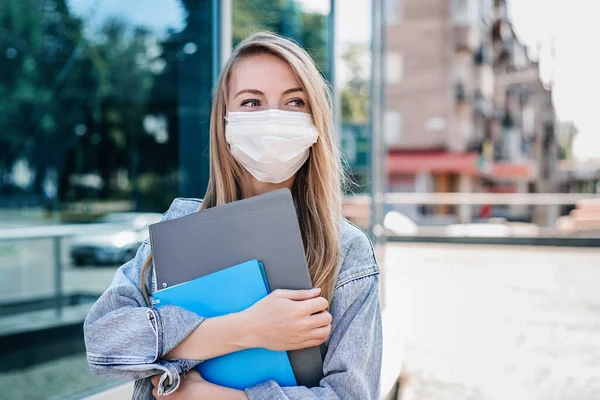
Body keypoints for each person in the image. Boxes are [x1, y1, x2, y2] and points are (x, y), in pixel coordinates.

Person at [84, 31, 382, 399]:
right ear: (225, 123)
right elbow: (103, 342)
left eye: (294, 102)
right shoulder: (176, 229)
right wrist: (249, 328)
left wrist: (207, 395)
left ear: (315, 122)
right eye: (252, 102)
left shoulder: (346, 250)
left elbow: (350, 395)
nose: (273, 117)